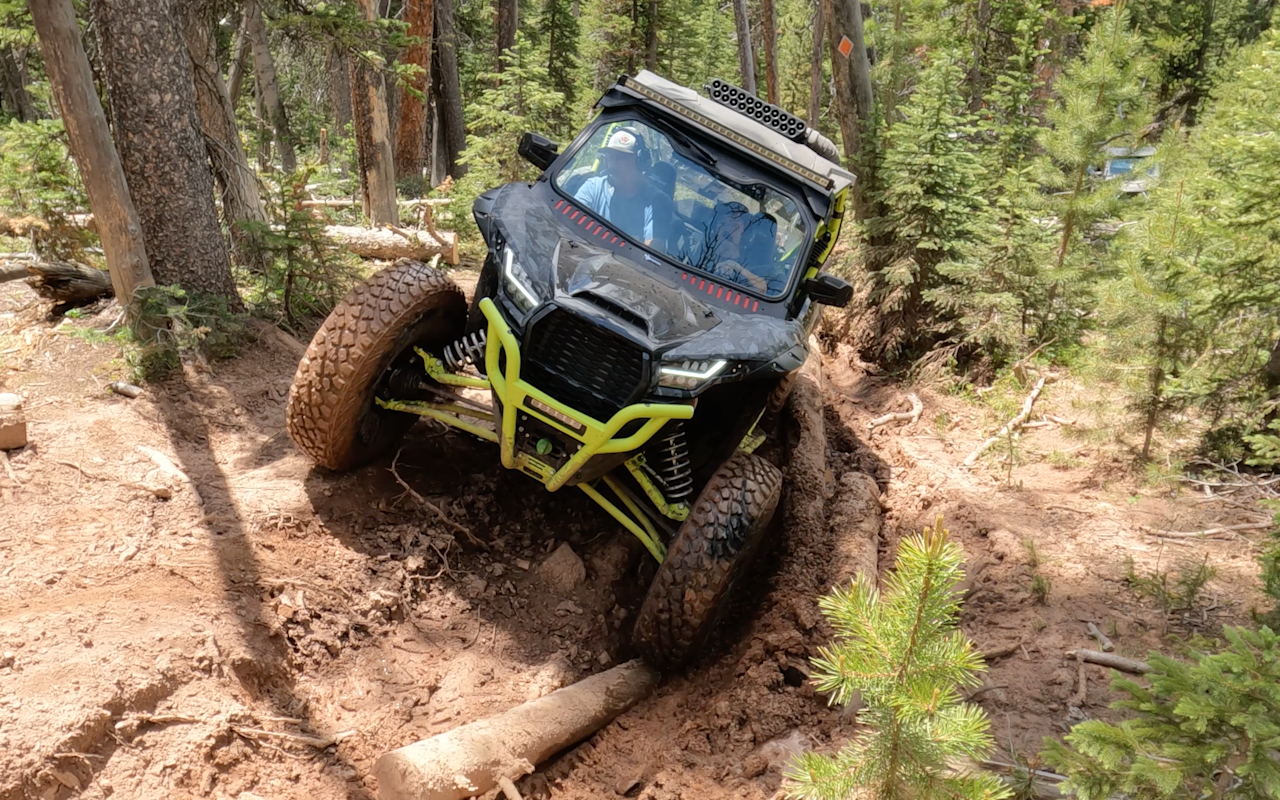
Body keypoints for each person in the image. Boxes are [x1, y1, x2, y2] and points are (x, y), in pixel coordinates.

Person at [573, 128, 668, 247]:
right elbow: (570, 224)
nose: (614, 162)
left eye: (621, 157)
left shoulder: (657, 202)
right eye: (610, 156)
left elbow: (651, 251)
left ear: (640, 161)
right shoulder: (593, 187)